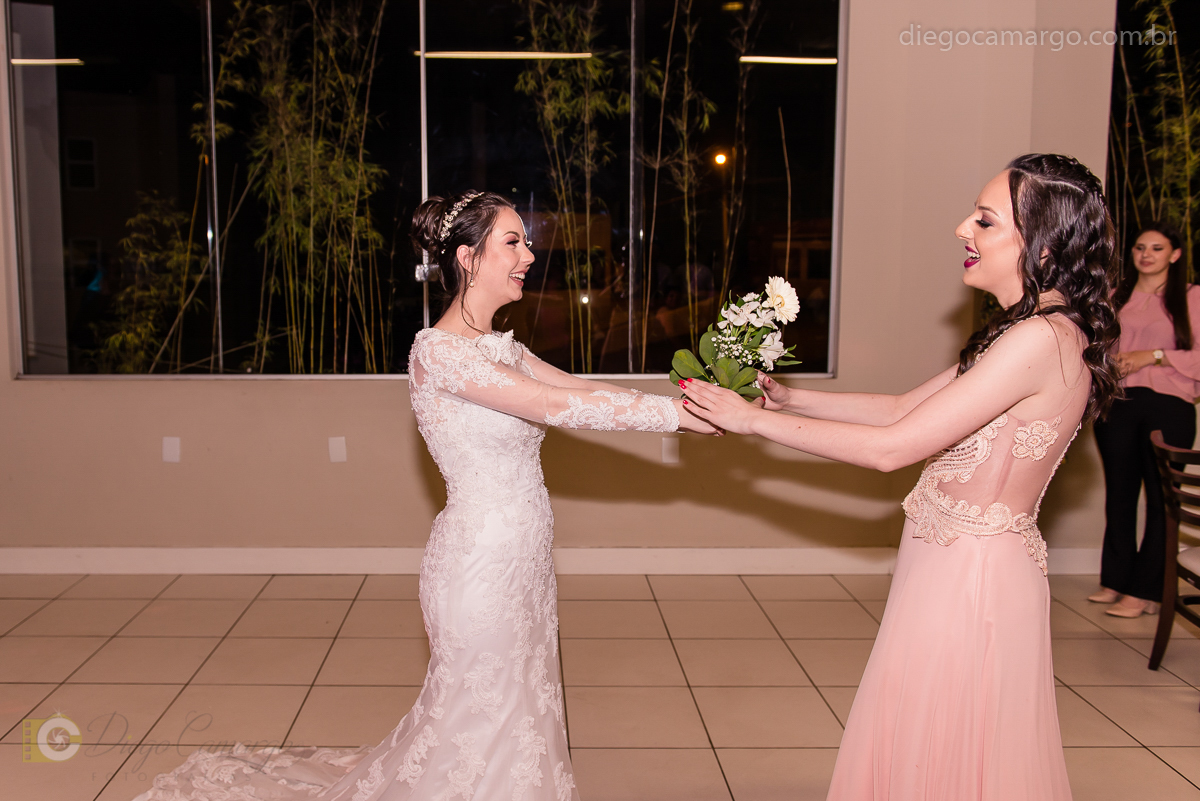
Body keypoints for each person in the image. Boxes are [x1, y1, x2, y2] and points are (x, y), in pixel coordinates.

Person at [129, 191, 714, 801]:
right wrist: (679, 418)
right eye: (512, 242)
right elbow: (552, 405)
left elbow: (580, 388)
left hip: (525, 561)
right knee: (480, 712)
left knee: (521, 700)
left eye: (525, 242)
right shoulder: (437, 353)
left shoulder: (505, 349)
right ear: (468, 256)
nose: (529, 255)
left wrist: (694, 403)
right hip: (478, 565)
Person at [679, 153, 1121, 801]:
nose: (962, 228)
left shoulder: (1038, 340)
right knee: (933, 745)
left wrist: (749, 423)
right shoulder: (1030, 330)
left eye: (985, 220)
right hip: (952, 564)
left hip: (971, 579)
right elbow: (900, 409)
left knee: (944, 748)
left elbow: (892, 449)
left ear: (1045, 245)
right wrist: (790, 401)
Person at [1091, 222, 1200, 617]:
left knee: (1161, 500)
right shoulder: (1114, 296)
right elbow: (1094, 347)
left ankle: (1146, 592)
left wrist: (1153, 356)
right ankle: (1117, 580)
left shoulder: (1192, 297)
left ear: (1175, 254)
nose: (1146, 254)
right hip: (1118, 403)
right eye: (1140, 247)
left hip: (1169, 405)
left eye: (1157, 247)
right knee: (1119, 495)